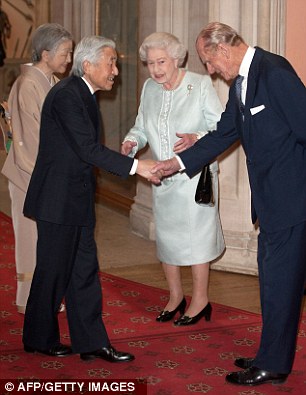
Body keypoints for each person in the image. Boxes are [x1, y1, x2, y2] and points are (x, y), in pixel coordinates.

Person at [152, 22, 306, 386]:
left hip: (293, 201)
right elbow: (224, 133)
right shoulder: (242, 83)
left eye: (208, 61)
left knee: (280, 285)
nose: (210, 70)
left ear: (223, 49)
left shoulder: (275, 72)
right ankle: (271, 355)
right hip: (272, 202)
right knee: (273, 283)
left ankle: (273, 364)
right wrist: (176, 164)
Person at [22, 35, 160, 361]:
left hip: (77, 198)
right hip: (57, 201)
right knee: (53, 271)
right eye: (110, 63)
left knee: (84, 270)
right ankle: (37, 338)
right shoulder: (68, 96)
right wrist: (137, 166)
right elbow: (88, 149)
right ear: (89, 65)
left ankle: (92, 342)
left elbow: (84, 152)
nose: (115, 70)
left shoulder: (84, 94)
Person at [121, 32, 225, 326]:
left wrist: (196, 137)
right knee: (167, 238)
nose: (155, 69)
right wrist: (131, 141)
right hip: (162, 176)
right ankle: (176, 296)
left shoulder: (200, 85)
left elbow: (221, 129)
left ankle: (201, 299)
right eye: (150, 63)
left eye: (161, 61)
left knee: (197, 239)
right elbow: (141, 125)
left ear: (176, 58)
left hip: (194, 177)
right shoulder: (149, 88)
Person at [1, 23, 73, 314]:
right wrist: (52, 177)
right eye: (65, 54)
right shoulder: (29, 84)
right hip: (29, 176)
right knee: (30, 240)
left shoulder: (49, 80)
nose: (69, 60)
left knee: (45, 240)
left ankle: (46, 295)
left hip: (46, 175)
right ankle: (29, 299)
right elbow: (30, 142)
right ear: (45, 53)